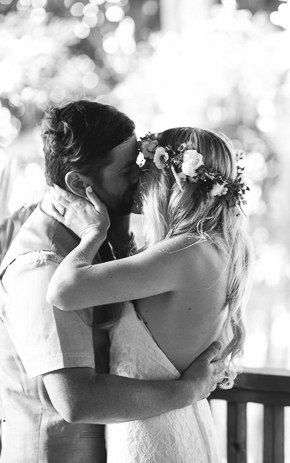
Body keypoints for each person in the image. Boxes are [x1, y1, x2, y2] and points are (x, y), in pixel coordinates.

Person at [0, 102, 223, 463]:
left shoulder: (100, 243)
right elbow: (76, 400)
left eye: (140, 162)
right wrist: (188, 392)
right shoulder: (44, 268)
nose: (142, 176)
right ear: (79, 183)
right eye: (127, 169)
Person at [43, 127, 253, 462]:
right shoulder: (221, 247)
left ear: (170, 179)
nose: (138, 185)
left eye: (145, 171)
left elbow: (63, 291)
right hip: (178, 427)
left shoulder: (185, 252)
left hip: (156, 440)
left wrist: (93, 233)